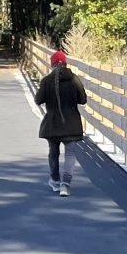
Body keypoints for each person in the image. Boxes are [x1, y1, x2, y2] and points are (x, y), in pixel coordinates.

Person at [35, 50, 87, 196]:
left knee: (53, 153)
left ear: (52, 65)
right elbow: (83, 100)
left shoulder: (46, 81)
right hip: (71, 124)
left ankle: (55, 181)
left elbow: (38, 100)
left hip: (52, 125)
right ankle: (65, 184)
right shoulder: (74, 79)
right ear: (65, 63)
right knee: (70, 153)